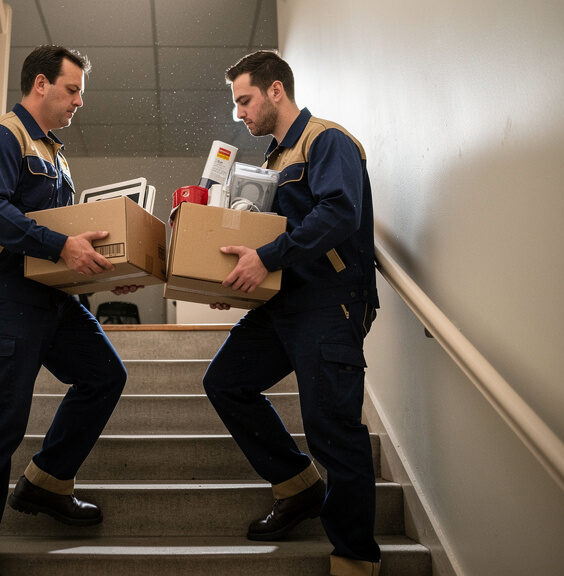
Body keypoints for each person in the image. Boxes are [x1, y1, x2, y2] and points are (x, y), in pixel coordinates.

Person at [0, 45, 137, 576]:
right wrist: (60, 248)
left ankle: (46, 484)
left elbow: (67, 236)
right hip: (0, 298)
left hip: (51, 300)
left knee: (104, 375)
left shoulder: (57, 156)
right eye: (72, 90)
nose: (78, 102)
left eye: (80, 93)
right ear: (40, 85)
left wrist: (107, 270)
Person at [203, 50, 382, 576]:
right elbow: (268, 241)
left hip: (330, 301)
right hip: (285, 306)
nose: (240, 113)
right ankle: (299, 486)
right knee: (227, 382)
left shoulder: (326, 140)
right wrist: (235, 286)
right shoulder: (274, 164)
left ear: (275, 89)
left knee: (331, 427)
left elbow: (339, 212)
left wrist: (268, 259)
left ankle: (355, 559)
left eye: (245, 100)